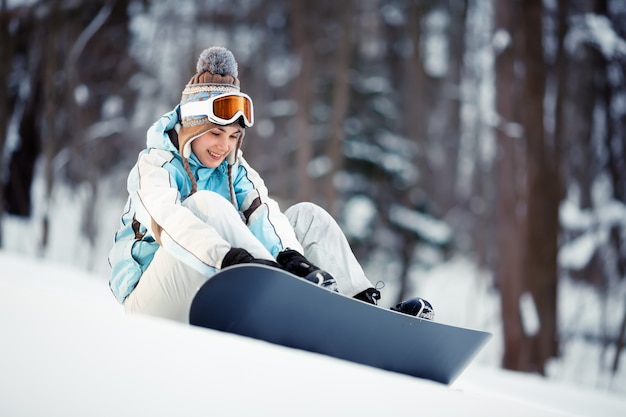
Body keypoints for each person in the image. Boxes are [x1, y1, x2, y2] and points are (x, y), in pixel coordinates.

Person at [108, 46, 433, 323]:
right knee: (206, 205)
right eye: (216, 133)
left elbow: (264, 213)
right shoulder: (155, 166)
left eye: (234, 137)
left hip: (218, 286)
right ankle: (276, 293)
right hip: (150, 303)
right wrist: (233, 260)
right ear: (192, 127)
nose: (224, 146)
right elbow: (172, 223)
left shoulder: (234, 168)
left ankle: (361, 311)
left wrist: (291, 258)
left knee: (308, 216)